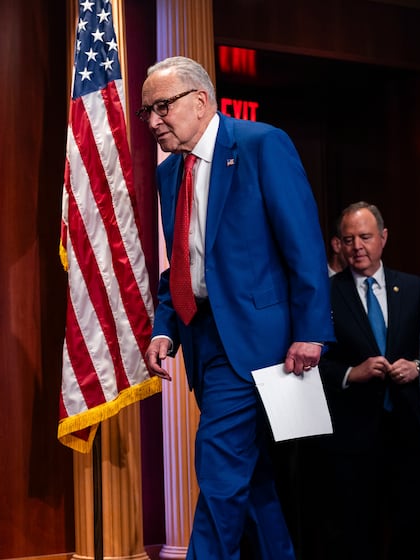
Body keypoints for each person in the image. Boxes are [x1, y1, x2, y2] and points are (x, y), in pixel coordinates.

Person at [140, 56, 334, 560]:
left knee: (221, 469)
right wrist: (165, 329)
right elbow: (178, 264)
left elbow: (304, 246)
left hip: (258, 344)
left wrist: (311, 331)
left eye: (162, 107)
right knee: (253, 477)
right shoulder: (169, 174)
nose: (154, 121)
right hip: (204, 341)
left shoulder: (260, 145)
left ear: (200, 101)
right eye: (147, 112)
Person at [318, 201, 420, 559]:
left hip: (409, 429)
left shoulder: (414, 286)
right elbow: (309, 359)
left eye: (365, 237)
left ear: (383, 238)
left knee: (412, 525)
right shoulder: (325, 293)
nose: (357, 246)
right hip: (353, 433)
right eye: (348, 239)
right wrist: (349, 373)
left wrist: (417, 366)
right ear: (338, 245)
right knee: (356, 530)